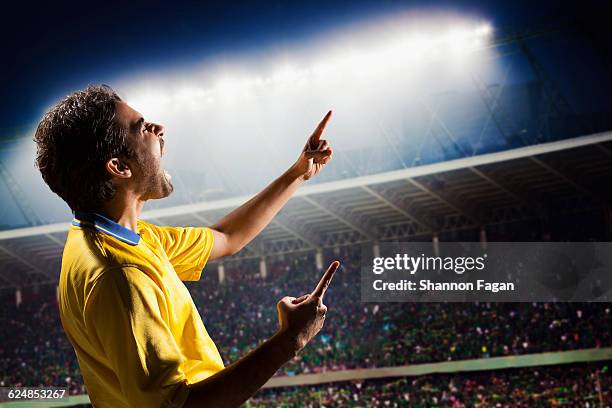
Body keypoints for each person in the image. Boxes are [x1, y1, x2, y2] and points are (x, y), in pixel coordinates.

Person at [34, 85, 340, 407]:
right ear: (119, 167)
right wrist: (289, 340)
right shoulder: (120, 275)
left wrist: (298, 173)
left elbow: (226, 237)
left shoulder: (121, 238)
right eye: (142, 128)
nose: (159, 129)